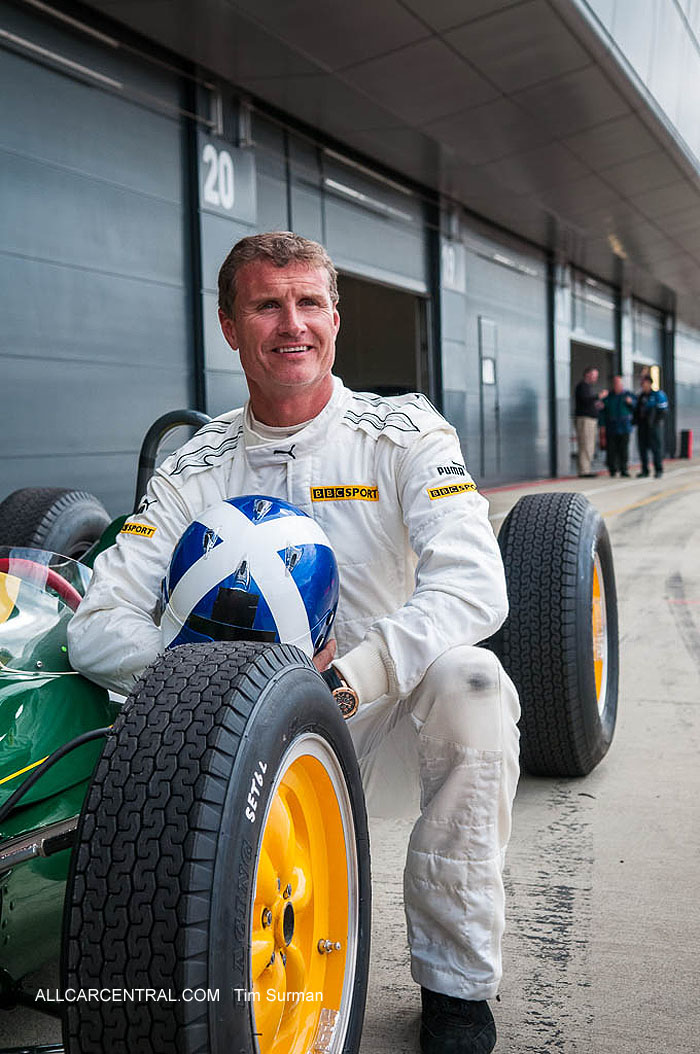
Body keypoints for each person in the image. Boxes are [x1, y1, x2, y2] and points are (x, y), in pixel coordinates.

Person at [67, 231, 520, 1054]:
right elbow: (98, 629)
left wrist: (343, 679)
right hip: (234, 740)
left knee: (474, 683)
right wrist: (233, 690)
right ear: (229, 325)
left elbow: (475, 587)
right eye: (266, 304)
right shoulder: (191, 467)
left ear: (336, 320)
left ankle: (455, 987)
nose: (292, 323)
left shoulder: (403, 432)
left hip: (377, 716)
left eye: (309, 302)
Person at [599, 376, 635, 477]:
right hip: (611, 427)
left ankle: (624, 469)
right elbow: (602, 412)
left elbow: (636, 407)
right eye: (615, 383)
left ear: (622, 384)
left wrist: (631, 402)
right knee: (611, 449)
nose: (617, 386)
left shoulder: (628, 395)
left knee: (623, 449)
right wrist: (602, 426)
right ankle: (612, 469)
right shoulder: (608, 397)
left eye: (618, 383)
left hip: (624, 427)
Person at [634, 375, 669, 478]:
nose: (643, 385)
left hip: (654, 426)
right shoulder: (641, 396)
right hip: (642, 426)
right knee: (642, 449)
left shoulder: (658, 395)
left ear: (649, 383)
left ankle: (658, 470)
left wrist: (655, 422)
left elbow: (663, 411)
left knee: (656, 449)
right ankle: (644, 470)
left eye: (644, 383)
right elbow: (636, 410)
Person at [574, 366, 605, 477]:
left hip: (590, 419)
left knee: (590, 445)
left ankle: (586, 468)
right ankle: (584, 471)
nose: (595, 378)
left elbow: (588, 402)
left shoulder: (588, 387)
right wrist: (598, 396)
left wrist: (596, 405)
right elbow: (585, 400)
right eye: (594, 375)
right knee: (585, 444)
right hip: (585, 420)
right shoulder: (582, 386)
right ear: (587, 374)